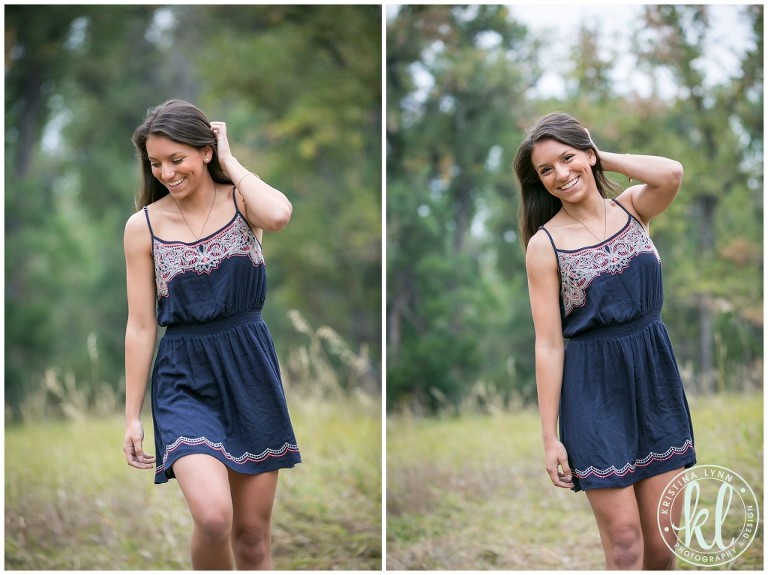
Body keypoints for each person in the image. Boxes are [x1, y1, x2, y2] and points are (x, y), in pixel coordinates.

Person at [122, 99, 301, 570]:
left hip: (250, 372)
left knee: (251, 538)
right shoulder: (142, 228)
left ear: (205, 151)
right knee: (215, 518)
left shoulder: (243, 201)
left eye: (176, 159)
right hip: (184, 377)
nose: (165, 172)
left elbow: (280, 215)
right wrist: (131, 415)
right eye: (155, 163)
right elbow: (140, 325)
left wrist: (232, 161)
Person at [515, 112, 696, 570]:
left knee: (663, 546)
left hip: (655, 383)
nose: (560, 174)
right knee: (625, 546)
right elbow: (549, 344)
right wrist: (548, 437)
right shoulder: (545, 245)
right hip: (593, 394)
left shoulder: (634, 208)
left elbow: (672, 172)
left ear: (589, 153)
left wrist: (597, 158)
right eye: (546, 170)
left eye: (567, 158)